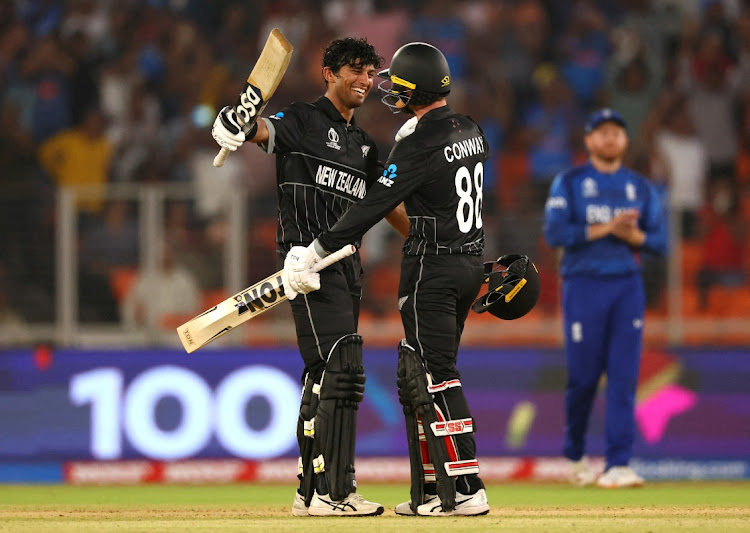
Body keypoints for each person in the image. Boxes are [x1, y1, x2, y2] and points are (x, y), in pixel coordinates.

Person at [283, 42, 490, 516]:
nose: (389, 88)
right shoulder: (471, 129)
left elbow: (376, 202)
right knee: (429, 372)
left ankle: (464, 489)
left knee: (433, 377)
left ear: (413, 86)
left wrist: (317, 249)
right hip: (468, 261)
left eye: (396, 81)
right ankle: (436, 491)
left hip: (432, 267)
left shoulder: (417, 141)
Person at [210, 37, 408, 517]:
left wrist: (426, 236)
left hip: (347, 267)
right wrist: (234, 123)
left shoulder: (363, 144)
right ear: (329, 73)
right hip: (306, 267)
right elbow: (259, 129)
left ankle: (312, 491)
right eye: (355, 71)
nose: (364, 81)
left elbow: (387, 205)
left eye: (370, 73)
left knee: (326, 377)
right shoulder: (302, 120)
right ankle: (331, 492)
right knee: (339, 374)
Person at [543, 108, 667, 488]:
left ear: (626, 140)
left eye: (617, 132)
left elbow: (661, 242)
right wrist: (608, 228)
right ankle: (576, 455)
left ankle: (618, 463)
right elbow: (554, 234)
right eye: (603, 132)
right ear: (589, 140)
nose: (610, 138)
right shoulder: (571, 182)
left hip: (626, 286)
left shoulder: (640, 188)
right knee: (583, 378)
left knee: (624, 378)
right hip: (583, 285)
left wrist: (633, 239)